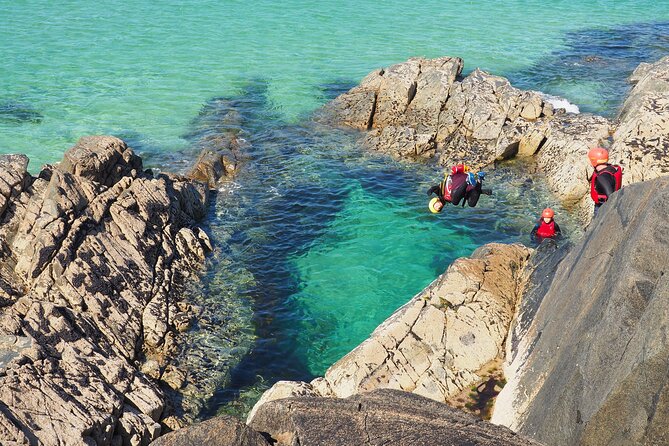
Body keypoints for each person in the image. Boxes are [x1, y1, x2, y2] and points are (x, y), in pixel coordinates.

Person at [427, 164, 492, 213]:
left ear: (434, 202)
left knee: (455, 202)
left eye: (435, 206)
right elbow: (461, 194)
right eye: (438, 209)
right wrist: (483, 191)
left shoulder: (439, 193)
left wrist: (430, 190)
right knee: (471, 204)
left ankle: (467, 180)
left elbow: (434, 188)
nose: (438, 207)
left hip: (458, 180)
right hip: (467, 187)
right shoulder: (448, 200)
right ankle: (479, 179)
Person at [588, 147, 623, 216]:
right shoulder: (611, 169)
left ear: (594, 161)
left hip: (602, 206)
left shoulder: (602, 177)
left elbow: (610, 195)